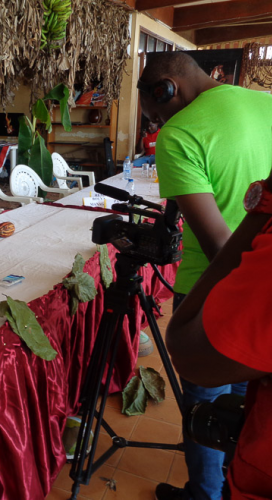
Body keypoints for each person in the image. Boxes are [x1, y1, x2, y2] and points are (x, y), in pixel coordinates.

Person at [137, 51, 272, 500]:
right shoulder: (266, 102)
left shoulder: (179, 134)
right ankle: (229, 484)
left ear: (166, 90)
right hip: (263, 292)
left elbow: (218, 244)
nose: (157, 126)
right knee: (246, 402)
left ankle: (204, 495)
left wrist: (189, 327)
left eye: (154, 116)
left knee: (205, 404)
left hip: (210, 289)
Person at [166, 176, 272, 499]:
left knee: (208, 405)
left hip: (218, 306)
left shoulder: (177, 143)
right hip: (244, 316)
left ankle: (204, 494)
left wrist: (265, 204)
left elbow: (188, 351)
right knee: (234, 407)